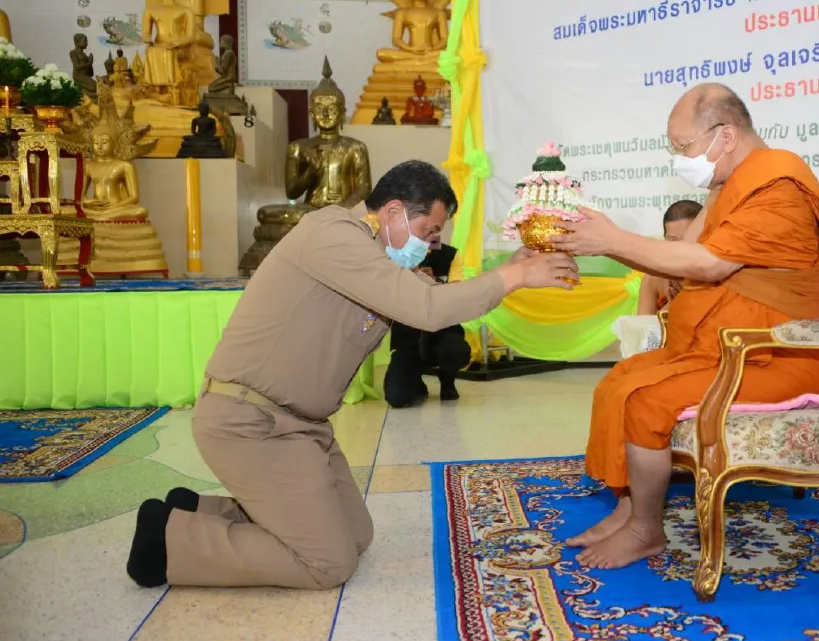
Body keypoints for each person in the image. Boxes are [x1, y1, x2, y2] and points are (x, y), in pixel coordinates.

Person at [126, 161, 577, 590]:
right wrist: (516, 277)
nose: (434, 245)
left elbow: (439, 298)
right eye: (430, 232)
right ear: (394, 212)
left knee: (356, 536)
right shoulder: (334, 236)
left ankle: (193, 510)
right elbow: (429, 309)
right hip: (248, 422)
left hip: (302, 427)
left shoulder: (375, 262)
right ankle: (167, 544)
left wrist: (509, 269)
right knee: (328, 563)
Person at [551, 83, 819, 569]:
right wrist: (609, 239)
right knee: (620, 380)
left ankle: (647, 530)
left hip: (775, 355)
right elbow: (688, 253)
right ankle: (627, 510)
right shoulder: (730, 183)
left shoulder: (779, 186)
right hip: (726, 346)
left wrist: (613, 239)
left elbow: (708, 264)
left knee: (646, 400)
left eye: (683, 146)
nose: (679, 158)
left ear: (724, 135)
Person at [383, 234, 471, 407]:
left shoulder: (450, 255)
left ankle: (447, 380)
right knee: (397, 398)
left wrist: (435, 280)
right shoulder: (393, 254)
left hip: (443, 331)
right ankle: (416, 382)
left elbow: (458, 293)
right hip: (408, 337)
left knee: (455, 350)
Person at [636, 199, 703, 315]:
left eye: (688, 239)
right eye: (673, 240)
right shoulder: (653, 278)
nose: (679, 248)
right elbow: (644, 331)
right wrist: (672, 305)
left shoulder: (718, 272)